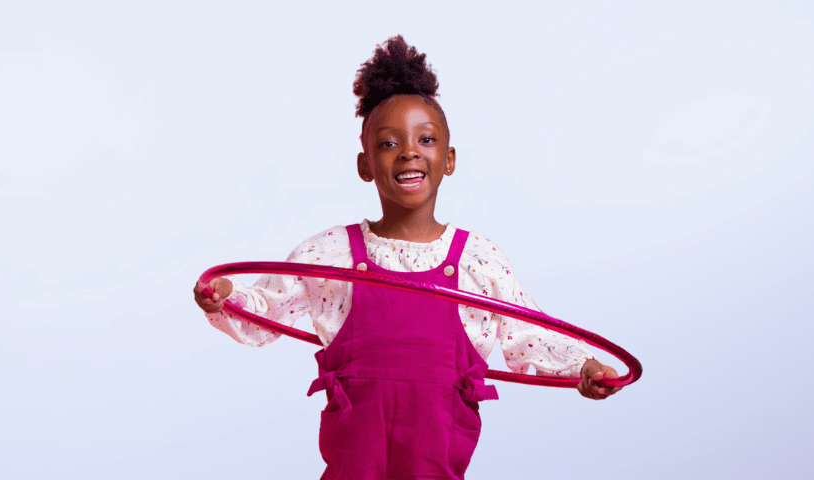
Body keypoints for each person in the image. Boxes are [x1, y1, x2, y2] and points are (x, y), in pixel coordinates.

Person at [191, 36, 623, 479]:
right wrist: (224, 295)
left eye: (426, 139)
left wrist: (583, 367)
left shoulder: (478, 260)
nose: (409, 152)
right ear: (365, 165)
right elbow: (265, 312)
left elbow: (530, 332)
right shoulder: (331, 255)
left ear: (449, 159)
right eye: (388, 144)